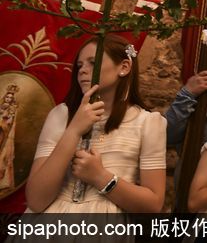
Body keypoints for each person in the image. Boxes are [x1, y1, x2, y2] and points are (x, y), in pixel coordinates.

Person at [24, 34, 166, 213]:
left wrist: (100, 177)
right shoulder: (61, 114)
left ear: (124, 67)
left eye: (92, 63)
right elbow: (36, 201)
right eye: (80, 65)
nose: (82, 70)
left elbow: (153, 205)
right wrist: (73, 131)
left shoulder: (148, 123)